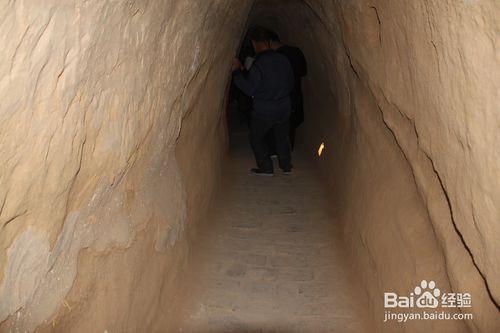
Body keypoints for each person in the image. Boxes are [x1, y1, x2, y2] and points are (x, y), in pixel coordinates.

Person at [231, 26, 295, 176]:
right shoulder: (283, 59)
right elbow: (291, 82)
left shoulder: (259, 64)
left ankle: (266, 167)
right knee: (282, 137)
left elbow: (249, 88)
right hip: (284, 107)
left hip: (265, 110)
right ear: (268, 42)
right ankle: (286, 166)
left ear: (255, 44)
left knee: (256, 138)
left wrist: (236, 72)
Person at [269, 31, 307, 149]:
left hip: (281, 96)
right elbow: (304, 71)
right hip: (295, 93)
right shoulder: (296, 51)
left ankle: (281, 148)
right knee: (292, 121)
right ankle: (289, 146)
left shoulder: (275, 57)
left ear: (270, 42)